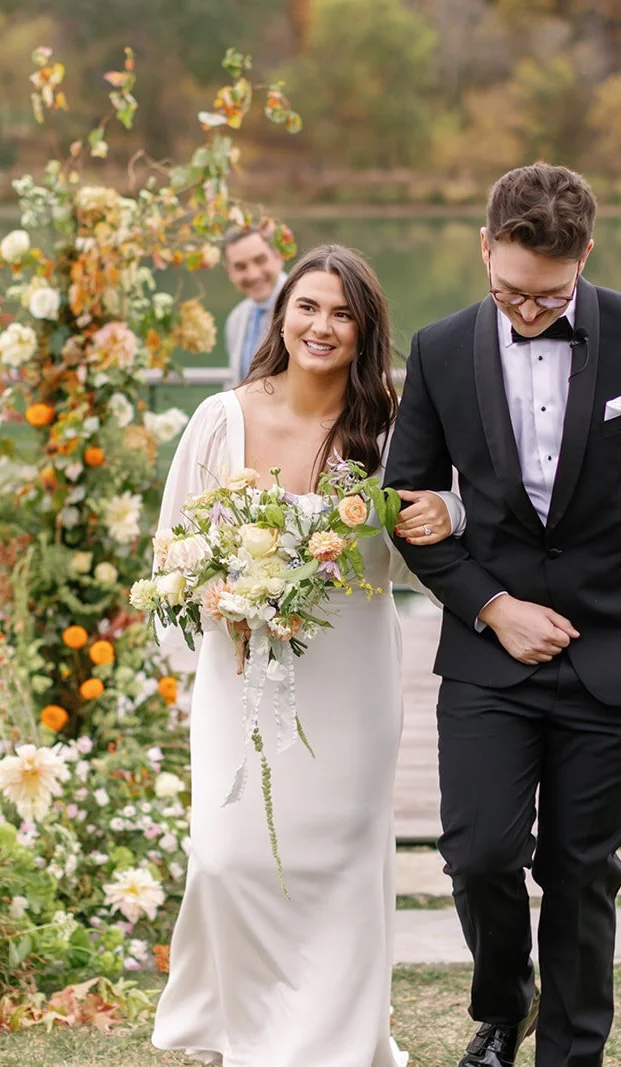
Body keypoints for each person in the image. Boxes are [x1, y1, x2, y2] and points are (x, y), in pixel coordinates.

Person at [385, 163, 621, 1067]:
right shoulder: (443, 348)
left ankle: (569, 1056)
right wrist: (492, 606)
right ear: (484, 246)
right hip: (493, 654)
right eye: (509, 293)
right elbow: (405, 501)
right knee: (478, 852)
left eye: (548, 296)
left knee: (580, 869)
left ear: (585, 256)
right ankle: (506, 1001)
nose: (527, 312)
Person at [150, 244, 462, 1066]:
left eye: (343, 314)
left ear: (365, 331)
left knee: (336, 861)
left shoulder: (391, 428)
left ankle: (333, 1042)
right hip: (240, 669)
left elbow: (428, 538)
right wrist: (223, 599)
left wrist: (446, 516)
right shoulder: (221, 418)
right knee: (225, 853)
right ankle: (236, 1023)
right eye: (308, 307)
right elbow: (173, 550)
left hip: (349, 675)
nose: (322, 326)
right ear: (280, 314)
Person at [221, 225, 287, 382]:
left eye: (260, 260)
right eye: (240, 267)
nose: (253, 274)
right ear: (229, 273)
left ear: (278, 257)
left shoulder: (304, 308)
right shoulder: (236, 319)